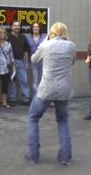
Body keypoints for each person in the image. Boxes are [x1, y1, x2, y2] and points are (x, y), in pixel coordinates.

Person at [25, 22, 76, 165]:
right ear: (65, 32)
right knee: (63, 120)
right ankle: (65, 157)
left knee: (33, 117)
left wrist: (46, 42)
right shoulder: (71, 46)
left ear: (51, 32)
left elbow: (34, 59)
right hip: (64, 89)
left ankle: (33, 155)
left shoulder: (45, 44)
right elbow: (72, 62)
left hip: (46, 88)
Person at [8, 20, 31, 106]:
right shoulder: (8, 37)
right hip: (11, 63)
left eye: (18, 26)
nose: (17, 27)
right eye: (15, 25)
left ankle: (26, 99)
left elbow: (26, 51)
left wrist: (26, 62)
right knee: (12, 81)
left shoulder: (23, 37)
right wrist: (10, 63)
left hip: (21, 62)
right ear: (12, 27)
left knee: (24, 81)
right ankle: (12, 99)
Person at [26, 22, 46, 96]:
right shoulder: (28, 38)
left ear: (39, 28)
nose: (36, 28)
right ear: (32, 28)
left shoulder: (44, 38)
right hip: (33, 62)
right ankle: (36, 98)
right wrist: (27, 62)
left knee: (43, 80)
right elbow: (27, 51)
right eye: (34, 27)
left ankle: (43, 97)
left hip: (43, 61)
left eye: (37, 27)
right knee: (35, 81)